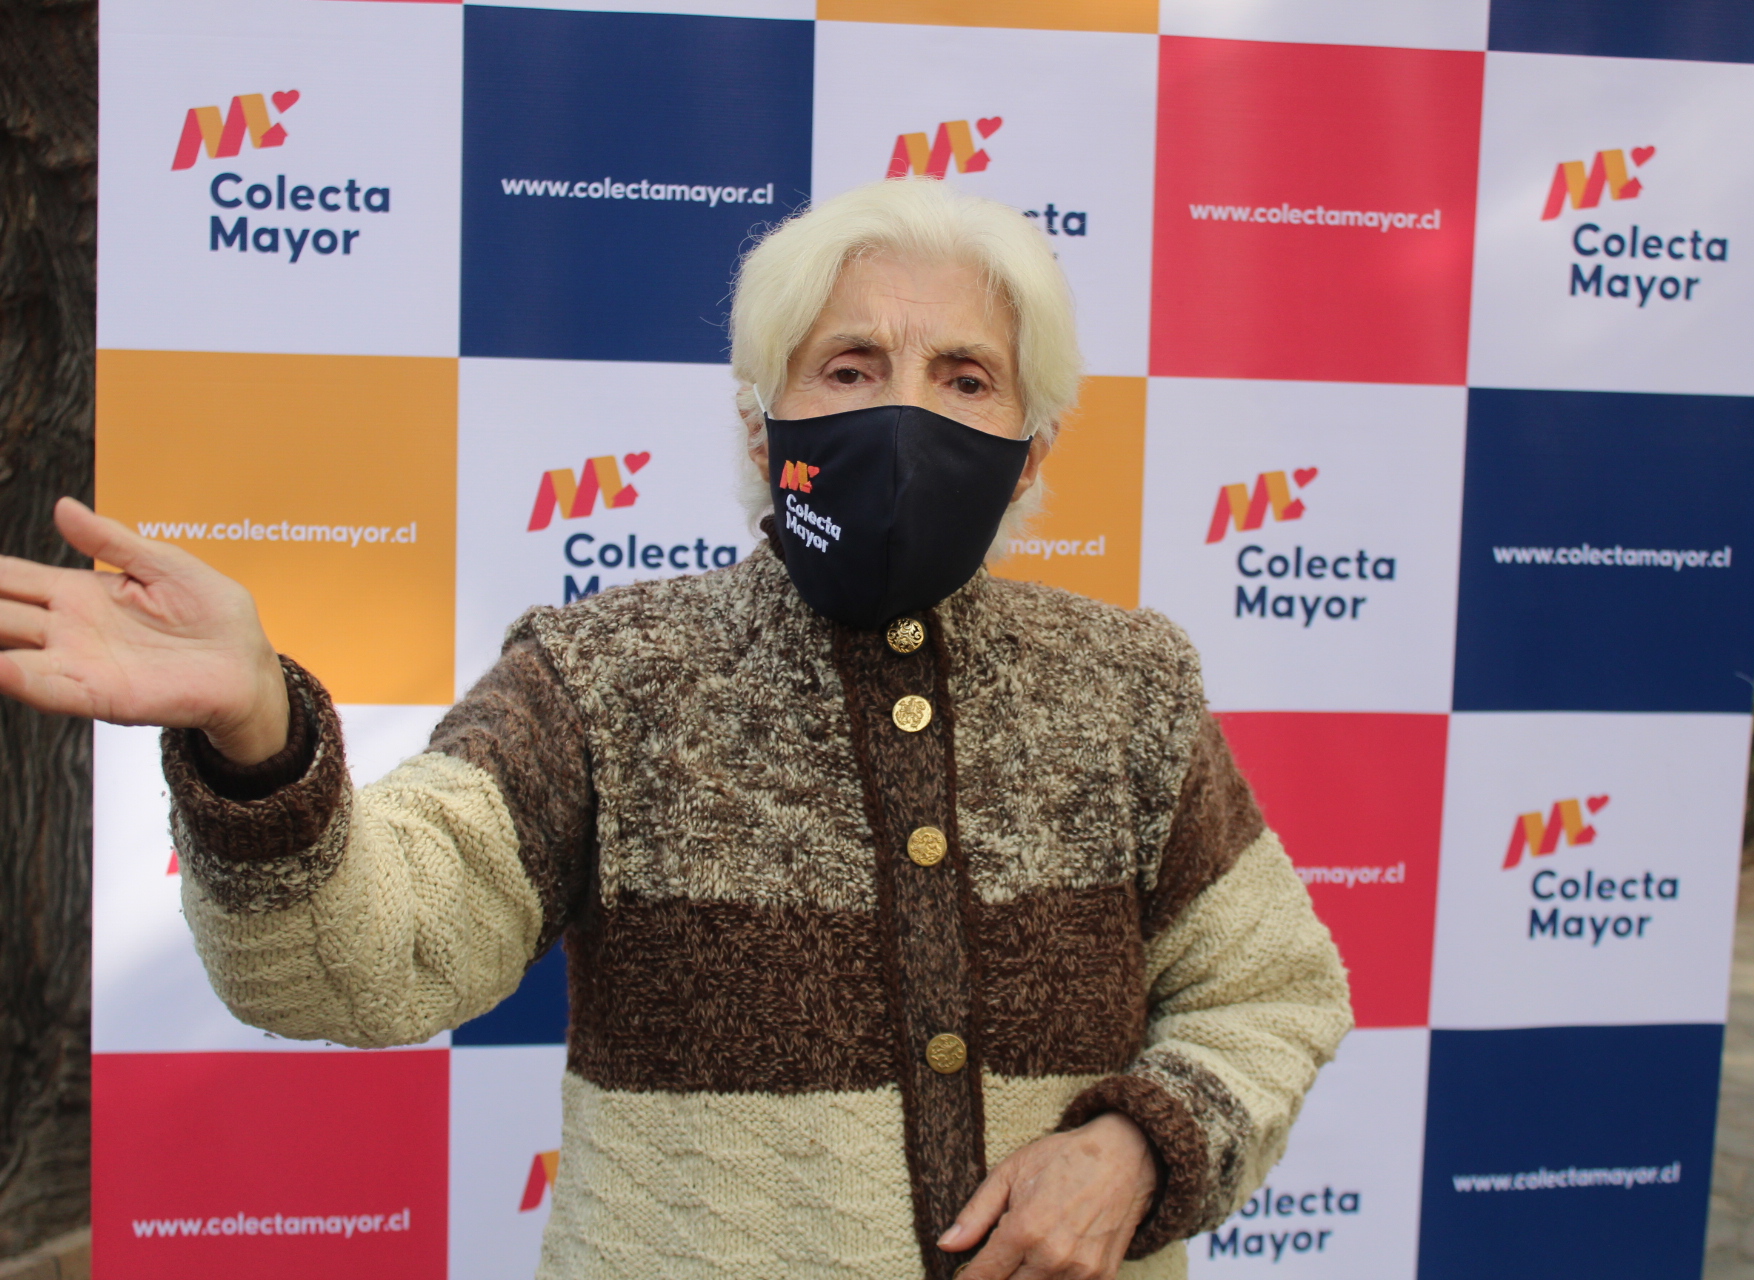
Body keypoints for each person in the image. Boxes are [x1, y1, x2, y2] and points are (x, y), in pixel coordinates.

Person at [0, 179, 1351, 1280]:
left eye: (965, 377)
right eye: (851, 366)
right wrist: (259, 738)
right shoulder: (602, 674)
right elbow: (366, 960)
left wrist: (1136, 1149)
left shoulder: (1130, 686)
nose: (906, 412)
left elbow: (1273, 992)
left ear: (1032, 450)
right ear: (763, 427)